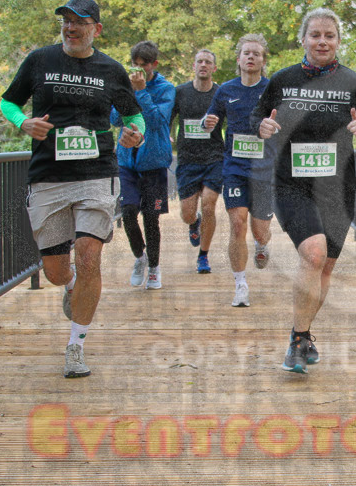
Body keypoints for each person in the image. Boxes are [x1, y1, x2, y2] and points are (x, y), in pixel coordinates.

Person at [0, 0, 145, 378]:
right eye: (66, 20)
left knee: (88, 254)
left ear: (95, 28)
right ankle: (69, 287)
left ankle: (75, 346)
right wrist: (22, 123)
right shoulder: (39, 61)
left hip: (97, 172)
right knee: (55, 270)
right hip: (48, 174)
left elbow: (133, 116)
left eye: (80, 21)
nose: (70, 27)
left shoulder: (110, 70)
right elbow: (9, 102)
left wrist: (136, 135)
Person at [254, 8, 356, 373]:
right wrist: (262, 127)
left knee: (325, 266)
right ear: (303, 39)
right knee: (313, 253)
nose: (322, 41)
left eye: (329, 35)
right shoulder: (282, 80)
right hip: (291, 183)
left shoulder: (353, 83)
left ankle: (305, 332)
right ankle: (297, 340)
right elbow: (256, 119)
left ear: (338, 40)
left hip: (337, 188)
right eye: (315, 35)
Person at [203, 34, 275, 308]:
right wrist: (207, 123)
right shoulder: (226, 91)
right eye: (246, 53)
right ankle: (240, 285)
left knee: (259, 231)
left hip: (264, 169)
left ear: (263, 60)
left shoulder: (272, 90)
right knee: (237, 224)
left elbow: (286, 125)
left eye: (256, 54)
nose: (251, 57)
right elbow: (210, 121)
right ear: (238, 59)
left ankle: (262, 245)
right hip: (234, 167)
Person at [110, 41, 175, 290]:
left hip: (154, 162)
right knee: (128, 213)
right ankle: (140, 257)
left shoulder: (166, 89)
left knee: (150, 218)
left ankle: (155, 268)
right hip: (127, 160)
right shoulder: (126, 85)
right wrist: (127, 92)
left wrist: (142, 92)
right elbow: (115, 118)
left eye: (143, 65)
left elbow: (159, 122)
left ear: (154, 65)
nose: (138, 69)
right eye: (134, 64)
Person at [172, 49, 224, 274]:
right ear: (194, 66)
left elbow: (234, 122)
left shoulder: (221, 93)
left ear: (214, 68)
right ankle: (194, 223)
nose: (203, 65)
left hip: (214, 158)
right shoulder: (180, 92)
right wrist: (167, 137)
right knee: (187, 213)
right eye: (199, 61)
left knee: (209, 204)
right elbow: (168, 118)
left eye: (208, 62)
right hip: (187, 159)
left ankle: (203, 255)